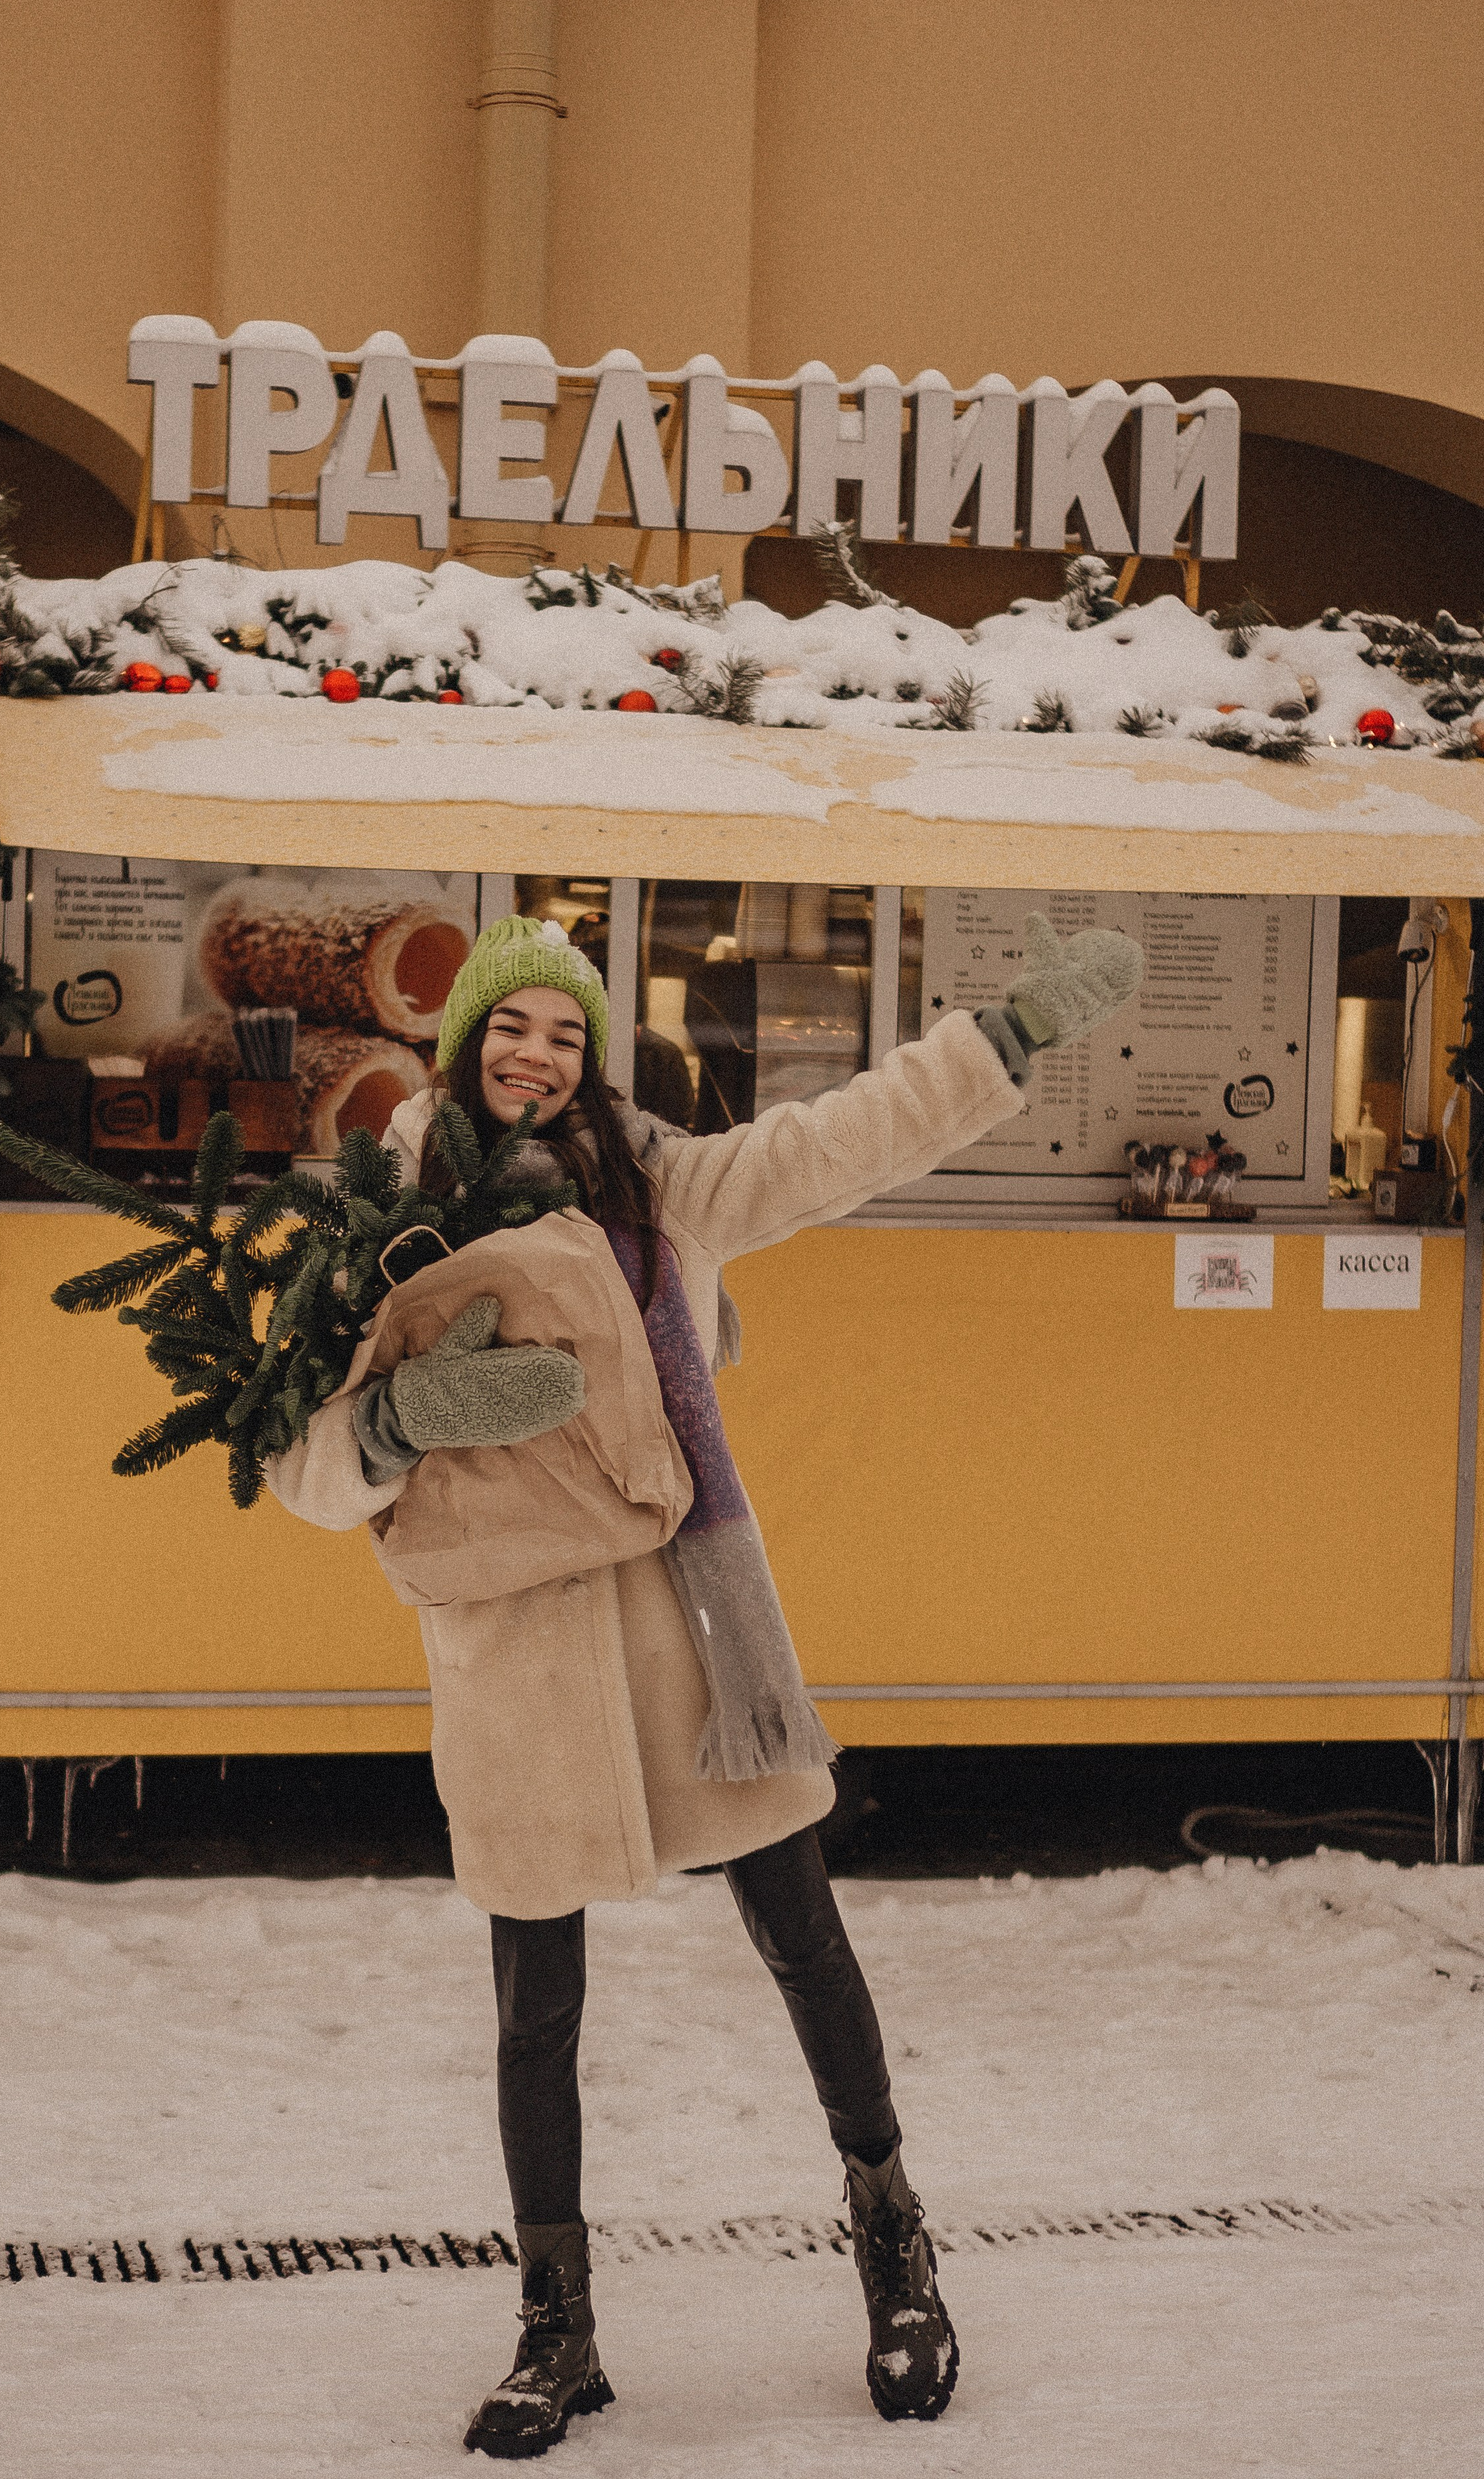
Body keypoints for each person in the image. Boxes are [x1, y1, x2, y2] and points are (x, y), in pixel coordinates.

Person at [266, 908, 1142, 2455]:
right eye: (508, 1027)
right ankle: (557, 2328)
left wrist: (998, 1041)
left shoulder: (656, 1188)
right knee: (536, 2006)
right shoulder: (374, 1218)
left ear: (590, 1056)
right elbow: (297, 1461)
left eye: (563, 1032)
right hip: (514, 1658)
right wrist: (397, 1427)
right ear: (461, 1044)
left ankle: (894, 2248)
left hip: (695, 1634)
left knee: (803, 1935)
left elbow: (837, 1138)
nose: (535, 1056)